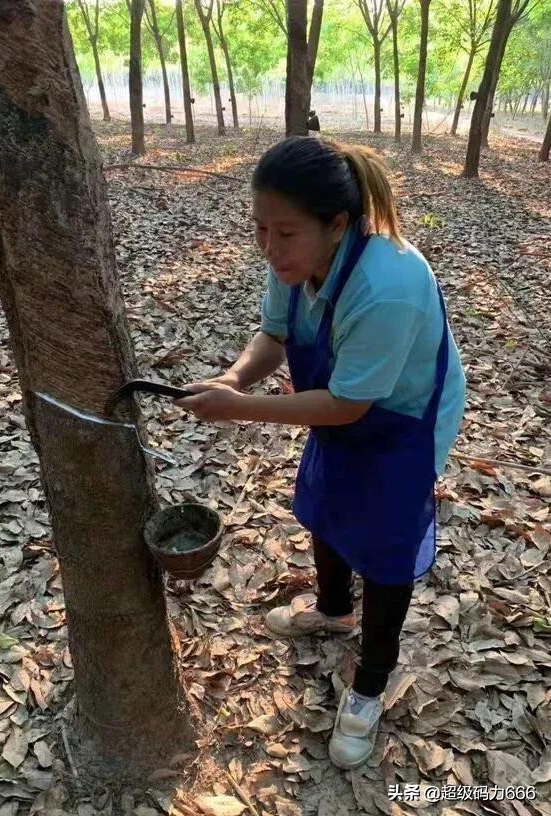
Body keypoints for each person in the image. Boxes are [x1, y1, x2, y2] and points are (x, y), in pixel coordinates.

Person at [175, 136, 466, 769]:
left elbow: (347, 407)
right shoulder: (293, 259)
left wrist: (241, 408)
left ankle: (371, 681)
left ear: (336, 225)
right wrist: (235, 380)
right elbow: (275, 336)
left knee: (387, 546)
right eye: (259, 229)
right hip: (340, 402)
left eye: (284, 233)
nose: (269, 248)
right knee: (328, 501)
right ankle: (334, 611)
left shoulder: (387, 285)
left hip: (402, 420)